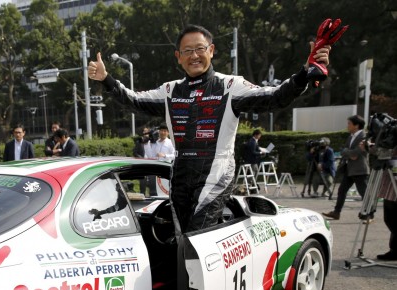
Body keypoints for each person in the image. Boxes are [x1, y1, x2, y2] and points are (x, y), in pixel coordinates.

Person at [88, 24, 332, 233]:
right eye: (187, 51)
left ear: (211, 51)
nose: (194, 56)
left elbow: (276, 97)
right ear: (178, 56)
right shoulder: (170, 90)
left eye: (200, 49)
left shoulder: (231, 85)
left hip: (217, 169)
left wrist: (303, 74)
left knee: (199, 234)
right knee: (180, 235)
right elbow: (133, 100)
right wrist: (106, 79)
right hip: (181, 170)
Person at [322, 115, 369, 220]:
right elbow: (347, 153)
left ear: (356, 125)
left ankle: (369, 214)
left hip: (360, 170)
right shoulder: (350, 136)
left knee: (364, 193)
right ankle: (336, 212)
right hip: (349, 169)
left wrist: (347, 152)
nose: (347, 126)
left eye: (349, 124)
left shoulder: (363, 136)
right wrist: (348, 153)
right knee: (342, 190)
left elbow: (355, 153)